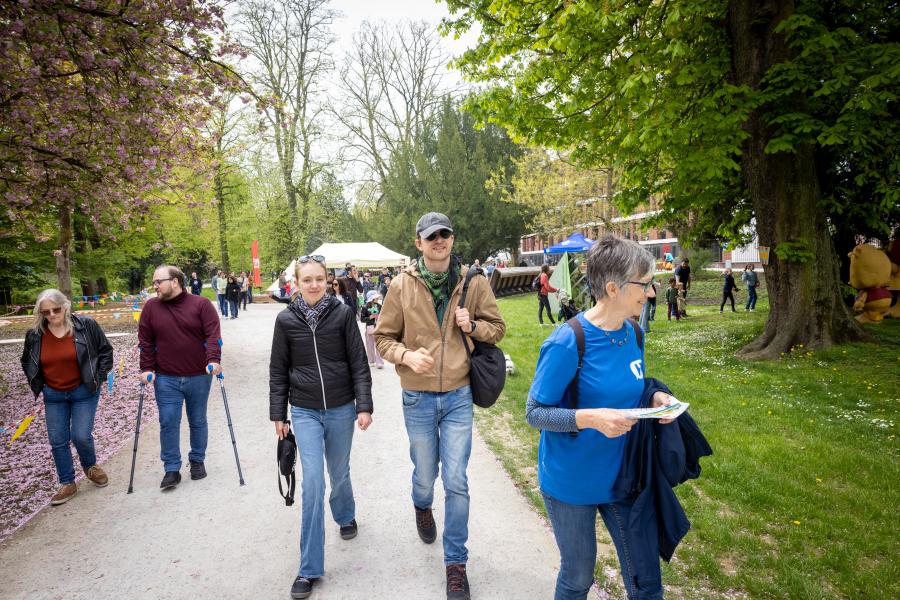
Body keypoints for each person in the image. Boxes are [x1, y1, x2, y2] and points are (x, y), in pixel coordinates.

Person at [525, 234, 674, 600]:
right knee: (578, 577)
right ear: (613, 288)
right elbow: (535, 413)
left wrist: (654, 395)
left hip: (624, 477)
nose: (650, 292)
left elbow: (628, 387)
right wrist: (589, 419)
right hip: (572, 482)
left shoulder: (634, 333)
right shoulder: (567, 342)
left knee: (645, 581)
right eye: (644, 284)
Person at [376, 212, 505, 600]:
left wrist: (472, 326)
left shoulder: (473, 281)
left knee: (456, 480)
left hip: (458, 395)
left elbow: (497, 329)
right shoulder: (401, 285)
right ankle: (421, 504)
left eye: (445, 234)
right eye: (431, 236)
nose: (439, 240)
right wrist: (406, 356)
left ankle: (456, 564)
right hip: (416, 396)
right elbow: (383, 338)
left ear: (452, 238)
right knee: (425, 474)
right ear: (418, 242)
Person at [269, 254, 373, 600]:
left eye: (319, 279)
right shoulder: (285, 321)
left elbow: (359, 362)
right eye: (306, 279)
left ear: (328, 280)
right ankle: (309, 568)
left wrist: (364, 405)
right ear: (296, 284)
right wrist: (278, 414)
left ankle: (345, 514)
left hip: (342, 407)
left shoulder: (342, 314)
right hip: (304, 410)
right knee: (313, 482)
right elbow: (278, 371)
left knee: (339, 471)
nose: (313, 285)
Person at [20, 289, 114, 505]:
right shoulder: (34, 334)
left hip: (84, 391)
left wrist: (98, 377)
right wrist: (38, 383)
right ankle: (67, 482)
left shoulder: (86, 325)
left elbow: (105, 351)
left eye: (56, 309)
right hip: (53, 394)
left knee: (81, 435)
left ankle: (90, 467)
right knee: (57, 440)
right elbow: (27, 361)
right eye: (46, 312)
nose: (52, 315)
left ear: (65, 306)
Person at [138, 265, 221, 490]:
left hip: (199, 375)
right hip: (166, 377)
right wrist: (146, 368)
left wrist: (213, 359)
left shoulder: (201, 305)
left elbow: (213, 335)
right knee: (168, 421)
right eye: (154, 282)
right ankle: (172, 468)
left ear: (174, 281)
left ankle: (197, 460)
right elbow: (146, 341)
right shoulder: (151, 308)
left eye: (158, 281)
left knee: (198, 420)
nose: (155, 286)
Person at [361, 290, 384, 369]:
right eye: (376, 297)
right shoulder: (365, 307)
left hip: (378, 328)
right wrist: (370, 317)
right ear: (372, 299)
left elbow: (383, 316)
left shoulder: (379, 306)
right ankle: (371, 361)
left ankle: (379, 362)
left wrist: (378, 317)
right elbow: (362, 319)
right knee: (370, 345)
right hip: (369, 328)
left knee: (378, 345)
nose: (377, 298)